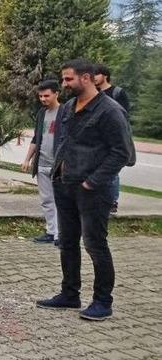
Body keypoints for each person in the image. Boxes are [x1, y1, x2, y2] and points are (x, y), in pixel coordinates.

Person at [36, 59, 132, 321]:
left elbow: (123, 153)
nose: (64, 84)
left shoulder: (110, 111)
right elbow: (64, 143)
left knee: (94, 244)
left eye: (68, 79)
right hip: (64, 185)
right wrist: (58, 173)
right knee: (67, 242)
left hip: (93, 190)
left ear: (87, 78)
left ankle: (103, 301)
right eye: (63, 79)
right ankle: (69, 294)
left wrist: (92, 181)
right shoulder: (68, 107)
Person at [22, 80, 66, 246]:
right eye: (40, 96)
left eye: (46, 95)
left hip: (59, 166)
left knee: (61, 201)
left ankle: (62, 235)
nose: (43, 99)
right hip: (42, 163)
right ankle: (51, 231)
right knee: (47, 200)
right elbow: (36, 138)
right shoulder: (42, 113)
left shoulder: (65, 112)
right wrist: (27, 159)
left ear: (56, 94)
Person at [94, 64, 130, 214]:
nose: (93, 77)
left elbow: (124, 116)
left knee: (112, 169)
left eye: (96, 74)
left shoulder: (117, 92)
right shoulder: (93, 93)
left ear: (105, 76)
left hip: (113, 136)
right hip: (97, 137)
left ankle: (112, 201)